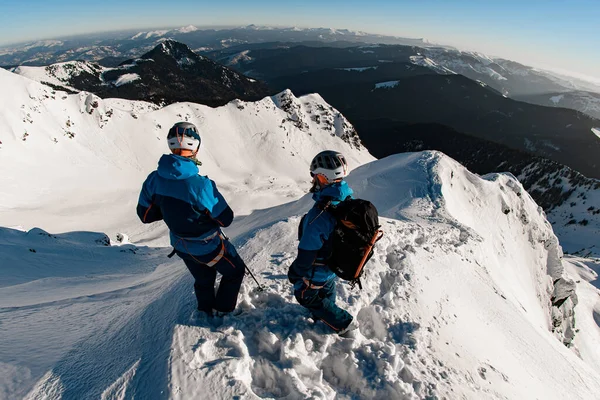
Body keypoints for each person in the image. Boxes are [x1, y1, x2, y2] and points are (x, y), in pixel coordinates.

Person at [136, 121, 246, 317]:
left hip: (180, 245)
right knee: (235, 272)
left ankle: (205, 310)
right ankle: (223, 310)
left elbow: (145, 215)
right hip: (209, 246)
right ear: (195, 147)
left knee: (203, 278)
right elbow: (225, 219)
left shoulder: (153, 179)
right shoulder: (201, 185)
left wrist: (169, 209)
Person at [288, 150, 358, 336]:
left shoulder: (319, 215)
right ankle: (325, 314)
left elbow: (307, 254)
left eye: (315, 176)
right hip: (333, 264)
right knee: (326, 288)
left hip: (318, 267)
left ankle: (344, 324)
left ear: (323, 177)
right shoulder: (344, 198)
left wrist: (294, 273)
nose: (313, 180)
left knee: (305, 295)